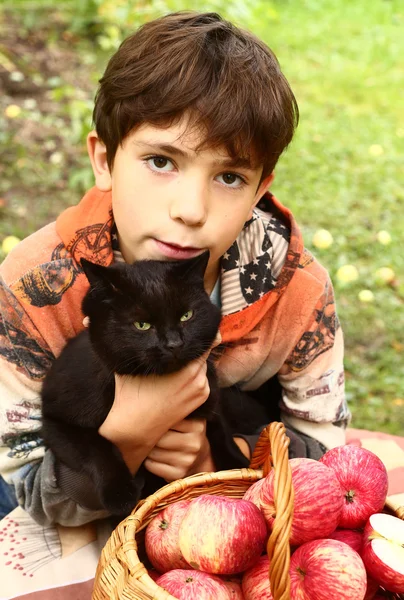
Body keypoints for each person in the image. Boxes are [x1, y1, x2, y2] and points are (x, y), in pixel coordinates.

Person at [0, 11, 349, 526]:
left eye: (229, 176)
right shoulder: (36, 288)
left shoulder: (297, 288)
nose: (190, 209)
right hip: (73, 487)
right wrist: (129, 435)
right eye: (161, 161)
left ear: (260, 188)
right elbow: (26, 486)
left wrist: (216, 462)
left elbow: (325, 455)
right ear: (104, 160)